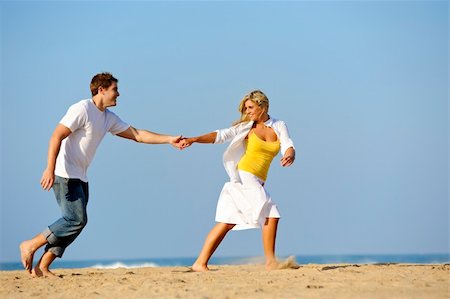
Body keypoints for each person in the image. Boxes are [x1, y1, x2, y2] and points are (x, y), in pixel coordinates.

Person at [20, 72, 183, 277]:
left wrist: (169, 139)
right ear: (101, 90)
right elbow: (56, 136)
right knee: (75, 219)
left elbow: (138, 135)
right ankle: (30, 244)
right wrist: (49, 168)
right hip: (64, 173)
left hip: (81, 175)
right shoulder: (82, 109)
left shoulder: (107, 117)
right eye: (115, 89)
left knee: (77, 222)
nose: (118, 94)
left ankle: (42, 266)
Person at [180, 90, 295, 271]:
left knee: (228, 221)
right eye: (245, 108)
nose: (247, 111)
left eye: (250, 107)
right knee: (271, 212)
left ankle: (199, 263)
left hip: (257, 179)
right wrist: (194, 139)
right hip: (245, 175)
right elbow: (220, 135)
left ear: (262, 106)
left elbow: (287, 144)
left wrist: (290, 155)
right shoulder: (246, 127)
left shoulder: (279, 125)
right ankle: (271, 262)